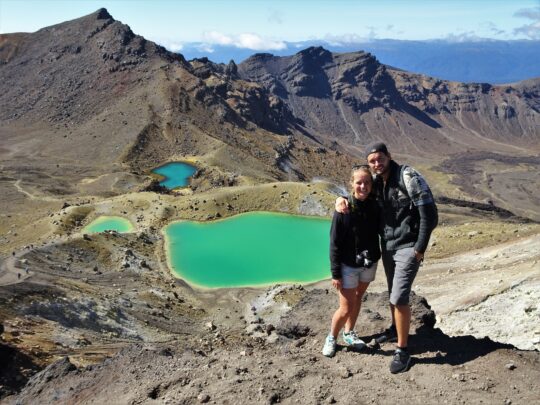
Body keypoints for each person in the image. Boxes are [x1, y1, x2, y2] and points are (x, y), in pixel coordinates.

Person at [335, 142, 438, 373]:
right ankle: (395, 328)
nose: (376, 164)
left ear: (389, 156)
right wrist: (340, 199)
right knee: (393, 291)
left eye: (380, 159)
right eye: (372, 161)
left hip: (408, 246)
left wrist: (419, 249)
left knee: (399, 297)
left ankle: (403, 351)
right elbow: (358, 196)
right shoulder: (377, 184)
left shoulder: (408, 176)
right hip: (389, 247)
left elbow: (429, 214)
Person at [322, 165, 381, 357]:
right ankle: (332, 337)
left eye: (367, 182)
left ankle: (349, 333)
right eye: (359, 182)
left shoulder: (375, 204)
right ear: (352, 184)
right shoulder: (343, 210)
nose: (363, 186)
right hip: (348, 266)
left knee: (358, 298)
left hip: (369, 263)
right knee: (346, 306)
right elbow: (334, 244)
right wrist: (335, 273)